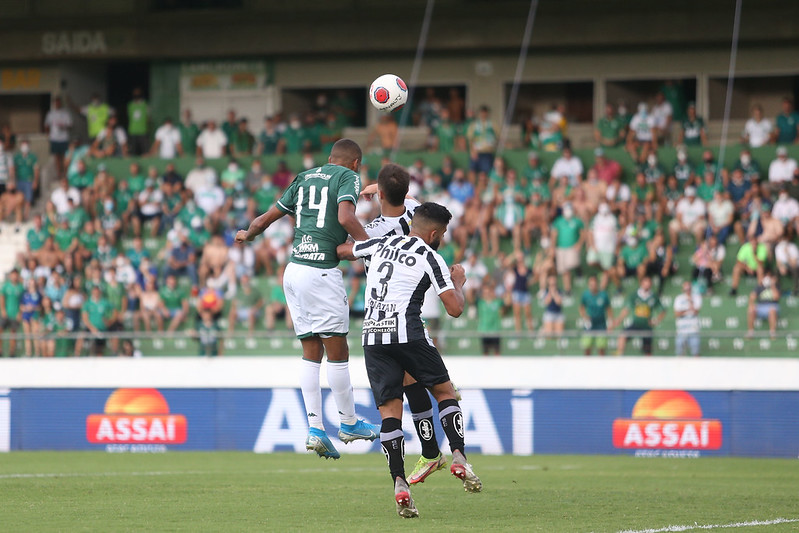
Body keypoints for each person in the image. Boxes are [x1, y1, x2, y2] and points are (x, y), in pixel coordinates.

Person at [235, 139, 379, 459]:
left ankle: (315, 428)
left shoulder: (303, 177)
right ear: (354, 163)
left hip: (294, 271)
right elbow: (345, 217)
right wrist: (372, 246)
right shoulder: (348, 177)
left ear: (329, 159)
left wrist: (248, 233)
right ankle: (349, 422)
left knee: (310, 351)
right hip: (320, 274)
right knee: (337, 351)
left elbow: (264, 220)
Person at [337, 202, 482, 519]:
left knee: (390, 414)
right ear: (433, 233)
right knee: (445, 392)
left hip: (373, 337)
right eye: (441, 233)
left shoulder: (379, 243)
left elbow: (344, 250)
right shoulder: (431, 256)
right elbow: (455, 309)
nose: (440, 238)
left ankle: (399, 483)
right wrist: (458, 280)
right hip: (409, 333)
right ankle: (457, 455)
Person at [612, 276, 665, 356]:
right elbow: (627, 309)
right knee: (622, 335)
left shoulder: (653, 297)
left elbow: (662, 311)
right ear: (641, 284)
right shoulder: (634, 295)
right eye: (645, 283)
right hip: (636, 324)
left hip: (647, 326)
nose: (647, 285)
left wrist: (656, 320)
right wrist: (619, 319)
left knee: (648, 351)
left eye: (649, 283)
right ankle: (619, 355)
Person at [579, 275, 612, 356]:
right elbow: (581, 307)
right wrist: (584, 316)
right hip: (589, 324)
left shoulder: (603, 295)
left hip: (601, 324)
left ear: (597, 284)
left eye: (594, 284)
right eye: (591, 285)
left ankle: (601, 366)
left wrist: (610, 322)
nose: (593, 286)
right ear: (588, 285)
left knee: (601, 348)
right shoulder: (585, 295)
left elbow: (608, 309)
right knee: (587, 346)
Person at [43, 96, 72, 179]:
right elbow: (46, 125)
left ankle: (65, 173)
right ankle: (59, 173)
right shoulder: (50, 114)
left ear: (61, 103)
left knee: (64, 156)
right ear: (54, 103)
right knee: (56, 157)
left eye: (59, 102)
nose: (57, 104)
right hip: (54, 138)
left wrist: (64, 127)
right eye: (56, 102)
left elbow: (70, 125)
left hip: (64, 138)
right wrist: (48, 135)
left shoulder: (66, 113)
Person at [747, 272, 780, 339]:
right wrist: (751, 305)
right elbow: (752, 296)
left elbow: (776, 297)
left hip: (772, 305)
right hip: (760, 306)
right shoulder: (759, 287)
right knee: (751, 310)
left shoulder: (776, 286)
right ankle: (751, 333)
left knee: (772, 310)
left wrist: (772, 285)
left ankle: (772, 333)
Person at [674, 281, 702, 357]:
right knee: (680, 354)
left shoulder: (696, 297)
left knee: (696, 354)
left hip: (694, 330)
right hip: (681, 330)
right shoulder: (679, 298)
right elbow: (677, 313)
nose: (688, 291)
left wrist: (690, 301)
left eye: (689, 289)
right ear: (683, 289)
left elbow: (696, 311)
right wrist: (687, 310)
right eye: (686, 289)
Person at [477, 282, 502, 356]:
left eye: (488, 292)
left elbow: (508, 301)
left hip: (495, 330)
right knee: (485, 353)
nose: (487, 294)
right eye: (485, 292)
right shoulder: (480, 303)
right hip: (484, 330)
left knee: (497, 353)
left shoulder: (497, 302)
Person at [127, 87, 150, 155]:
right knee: (132, 151)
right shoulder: (130, 105)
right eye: (135, 94)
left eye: (138, 94)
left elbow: (149, 118)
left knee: (145, 152)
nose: (137, 96)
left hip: (143, 131)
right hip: (132, 131)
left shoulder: (145, 105)